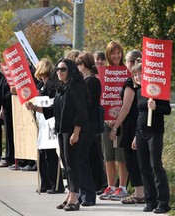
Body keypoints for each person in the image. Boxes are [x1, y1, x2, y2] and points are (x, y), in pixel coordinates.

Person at [26, 58, 88, 211]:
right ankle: (69, 195)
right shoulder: (62, 88)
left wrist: (76, 133)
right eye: (58, 70)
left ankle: (74, 198)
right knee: (66, 164)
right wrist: (35, 107)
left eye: (63, 69)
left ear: (70, 71)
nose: (59, 72)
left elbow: (81, 112)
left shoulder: (76, 87)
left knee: (72, 165)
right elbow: (53, 109)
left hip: (72, 131)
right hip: (61, 130)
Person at [132, 61, 171, 214]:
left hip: (154, 132)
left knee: (156, 165)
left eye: (139, 74)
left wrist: (156, 107)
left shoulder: (157, 91)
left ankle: (163, 202)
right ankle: (150, 200)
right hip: (140, 133)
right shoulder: (138, 92)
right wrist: (135, 136)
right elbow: (139, 115)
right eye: (134, 74)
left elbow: (167, 110)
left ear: (146, 75)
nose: (137, 77)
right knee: (144, 167)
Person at [109, 50, 145, 204]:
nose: (128, 64)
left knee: (132, 160)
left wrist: (115, 127)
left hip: (131, 125)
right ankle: (140, 192)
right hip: (138, 123)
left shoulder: (131, 83)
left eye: (129, 61)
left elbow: (126, 108)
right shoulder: (139, 81)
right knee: (136, 160)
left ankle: (139, 193)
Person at [99, 41, 128, 200]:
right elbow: (101, 97)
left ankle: (122, 187)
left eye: (119, 53)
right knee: (108, 156)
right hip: (106, 123)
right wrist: (107, 119)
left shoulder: (127, 73)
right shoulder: (103, 74)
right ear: (108, 55)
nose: (116, 56)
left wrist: (118, 121)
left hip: (122, 123)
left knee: (121, 157)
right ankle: (111, 186)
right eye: (113, 53)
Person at [33, 58, 65, 194]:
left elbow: (51, 102)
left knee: (50, 154)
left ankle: (56, 184)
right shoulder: (42, 84)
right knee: (42, 153)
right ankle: (45, 183)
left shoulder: (52, 84)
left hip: (50, 121)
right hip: (42, 122)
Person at [75, 51, 102, 206]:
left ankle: (88, 194)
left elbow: (86, 104)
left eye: (78, 65)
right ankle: (81, 192)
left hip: (88, 126)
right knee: (83, 159)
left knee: (83, 159)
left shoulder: (91, 82)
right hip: (85, 125)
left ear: (83, 65)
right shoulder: (85, 81)